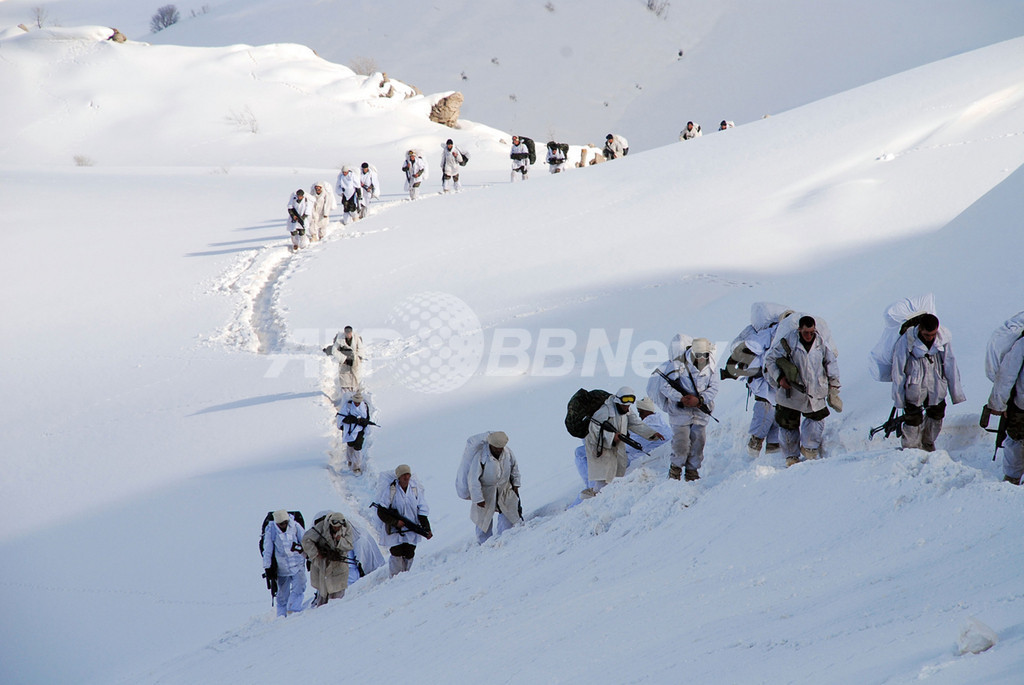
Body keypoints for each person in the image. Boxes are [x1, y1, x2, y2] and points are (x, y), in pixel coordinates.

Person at [765, 315, 842, 466]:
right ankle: (791, 457)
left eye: (812, 332)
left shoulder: (821, 344)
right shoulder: (788, 342)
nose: (809, 336)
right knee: (788, 425)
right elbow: (771, 360)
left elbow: (831, 364)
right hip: (791, 392)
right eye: (805, 332)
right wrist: (779, 377)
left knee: (816, 420)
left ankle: (809, 449)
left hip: (815, 390)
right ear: (799, 330)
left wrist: (834, 387)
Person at [723, 303, 793, 458]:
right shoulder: (772, 332)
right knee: (765, 409)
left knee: (777, 411)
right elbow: (752, 346)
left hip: (778, 379)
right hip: (765, 379)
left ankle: (773, 448)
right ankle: (756, 441)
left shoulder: (785, 332)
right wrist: (734, 367)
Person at [891, 314, 966, 451]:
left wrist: (956, 394)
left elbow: (950, 364)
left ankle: (928, 444)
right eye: (926, 335)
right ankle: (910, 449)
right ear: (920, 329)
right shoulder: (907, 340)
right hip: (914, 385)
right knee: (913, 420)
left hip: (937, 384)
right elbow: (898, 370)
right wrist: (899, 399)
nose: (930, 338)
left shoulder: (943, 339)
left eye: (933, 334)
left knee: (936, 416)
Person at [651, 336, 720, 481]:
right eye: (699, 355)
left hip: (700, 412)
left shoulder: (712, 365)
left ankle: (692, 471)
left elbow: (714, 388)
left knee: (698, 443)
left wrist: (700, 399)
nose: (702, 358)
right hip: (680, 413)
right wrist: (680, 398)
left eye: (704, 355)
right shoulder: (678, 365)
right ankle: (675, 470)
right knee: (680, 443)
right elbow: (665, 386)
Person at [583, 387, 664, 497]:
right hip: (600, 448)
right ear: (618, 401)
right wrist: (611, 437)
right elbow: (593, 431)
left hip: (616, 446)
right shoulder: (604, 411)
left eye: (629, 405)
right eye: (624, 405)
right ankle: (596, 501)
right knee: (603, 478)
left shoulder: (626, 411)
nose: (627, 407)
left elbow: (635, 424)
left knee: (616, 476)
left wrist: (651, 433)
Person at [375, 464, 432, 576]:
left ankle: (406, 577)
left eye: (408, 475)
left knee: (409, 553)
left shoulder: (415, 489)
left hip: (411, 529)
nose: (406, 478)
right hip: (395, 531)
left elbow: (422, 510)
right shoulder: (391, 490)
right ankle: (395, 578)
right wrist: (396, 522)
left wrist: (427, 528)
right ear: (399, 477)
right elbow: (381, 511)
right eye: (403, 475)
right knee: (396, 553)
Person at [467, 431, 522, 544]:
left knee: (509, 511)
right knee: (483, 519)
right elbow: (473, 479)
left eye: (500, 447)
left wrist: (516, 484)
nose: (498, 450)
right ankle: (484, 542)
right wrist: (478, 498)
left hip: (504, 488)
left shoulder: (508, 453)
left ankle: (506, 536)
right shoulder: (481, 456)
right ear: (491, 445)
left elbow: (514, 468)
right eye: (496, 447)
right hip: (485, 491)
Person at [986, 328, 1024, 485]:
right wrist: (999, 403)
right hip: (1021, 404)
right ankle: (1012, 477)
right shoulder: (1022, 344)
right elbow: (1007, 375)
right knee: (1015, 439)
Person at [301, 511, 355, 606]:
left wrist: (339, 541)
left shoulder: (347, 528)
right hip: (323, 564)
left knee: (338, 595)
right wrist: (317, 553)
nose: (336, 528)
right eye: (334, 527)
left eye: (338, 527)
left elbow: (349, 545)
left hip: (339, 564)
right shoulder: (321, 527)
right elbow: (306, 540)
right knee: (323, 593)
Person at [262, 510, 307, 617]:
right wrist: (267, 567)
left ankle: (294, 611)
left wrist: (308, 555)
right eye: (281, 524)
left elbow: (306, 541)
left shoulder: (295, 526)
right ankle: (281, 617)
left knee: (299, 588)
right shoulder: (271, 530)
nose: (284, 525)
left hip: (298, 565)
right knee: (282, 596)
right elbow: (267, 550)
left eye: (285, 522)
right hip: (282, 568)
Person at [337, 390, 373, 474]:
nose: (357, 404)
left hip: (359, 430)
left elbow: (367, 418)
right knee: (350, 445)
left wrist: (363, 422)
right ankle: (350, 460)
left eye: (358, 403)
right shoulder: (348, 406)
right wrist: (351, 420)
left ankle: (356, 466)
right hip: (349, 429)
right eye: (355, 402)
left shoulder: (364, 407)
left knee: (358, 447)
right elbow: (341, 417)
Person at [627, 397, 670, 465]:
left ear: (644, 411)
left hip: (647, 460)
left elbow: (630, 447)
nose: (640, 416)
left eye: (640, 412)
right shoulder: (662, 424)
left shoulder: (650, 426)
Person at [324, 326, 363, 393]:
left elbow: (361, 348)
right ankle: (345, 389)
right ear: (344, 333)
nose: (348, 335)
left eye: (350, 333)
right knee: (344, 372)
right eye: (347, 333)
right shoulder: (340, 338)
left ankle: (356, 388)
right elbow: (334, 351)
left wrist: (359, 357)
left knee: (355, 372)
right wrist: (343, 359)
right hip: (344, 356)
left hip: (354, 357)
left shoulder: (356, 337)